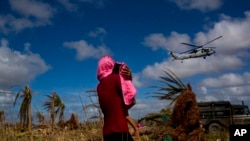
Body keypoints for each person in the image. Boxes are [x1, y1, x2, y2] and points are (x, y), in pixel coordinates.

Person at [97, 56, 139, 141]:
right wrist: (129, 78)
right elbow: (131, 98)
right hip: (120, 129)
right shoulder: (116, 78)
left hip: (106, 133)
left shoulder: (99, 87)